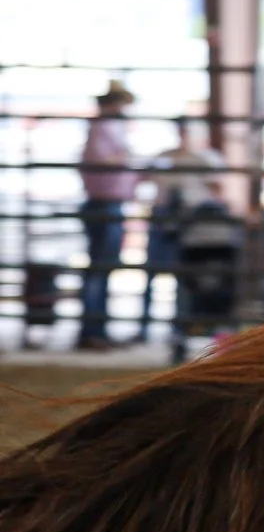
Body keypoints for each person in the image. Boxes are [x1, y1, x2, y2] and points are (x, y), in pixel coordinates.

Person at [140, 120, 228, 342]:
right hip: (163, 219)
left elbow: (217, 189)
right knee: (151, 272)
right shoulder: (164, 156)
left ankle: (180, 327)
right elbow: (144, 178)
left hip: (191, 223)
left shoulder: (206, 159)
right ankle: (144, 328)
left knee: (184, 277)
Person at [75, 80, 141, 349]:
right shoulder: (104, 127)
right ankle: (93, 331)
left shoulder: (104, 127)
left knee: (101, 268)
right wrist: (128, 158)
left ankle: (96, 329)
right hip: (104, 203)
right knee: (99, 269)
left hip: (107, 203)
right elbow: (104, 161)